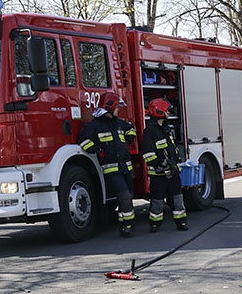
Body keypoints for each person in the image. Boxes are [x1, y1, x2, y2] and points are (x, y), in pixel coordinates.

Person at [78, 92, 137, 237]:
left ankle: (125, 223)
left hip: (125, 167)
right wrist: (98, 150)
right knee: (123, 195)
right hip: (111, 169)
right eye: (117, 107)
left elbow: (131, 129)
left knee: (128, 195)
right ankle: (127, 225)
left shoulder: (118, 123)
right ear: (110, 107)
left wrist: (129, 137)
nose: (118, 110)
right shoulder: (96, 125)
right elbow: (83, 141)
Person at [141, 98, 188, 232]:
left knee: (177, 197)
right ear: (159, 111)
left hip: (172, 171)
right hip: (158, 174)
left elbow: (171, 148)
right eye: (166, 110)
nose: (168, 113)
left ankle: (181, 222)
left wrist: (174, 162)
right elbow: (148, 153)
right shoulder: (150, 131)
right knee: (157, 200)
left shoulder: (167, 128)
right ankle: (155, 224)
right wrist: (160, 164)